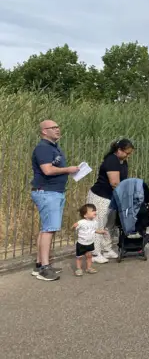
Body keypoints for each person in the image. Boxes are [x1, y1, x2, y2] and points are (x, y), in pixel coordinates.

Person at [30, 120, 80, 281]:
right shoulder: (43, 148)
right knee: (49, 229)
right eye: (53, 128)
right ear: (44, 131)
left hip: (53, 192)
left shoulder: (53, 147)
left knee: (46, 228)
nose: (58, 129)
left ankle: (40, 264)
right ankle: (45, 267)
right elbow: (47, 170)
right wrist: (68, 169)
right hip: (47, 192)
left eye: (58, 127)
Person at [87, 138, 135, 263]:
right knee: (98, 224)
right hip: (101, 196)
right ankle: (95, 252)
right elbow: (114, 183)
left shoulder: (122, 161)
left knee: (110, 224)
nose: (128, 156)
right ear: (119, 150)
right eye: (127, 153)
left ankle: (106, 248)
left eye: (129, 153)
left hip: (112, 197)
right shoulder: (111, 161)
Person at [72, 204, 107, 276]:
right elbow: (73, 227)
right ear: (85, 215)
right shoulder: (81, 222)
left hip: (90, 243)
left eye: (95, 210)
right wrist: (73, 226)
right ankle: (78, 269)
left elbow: (94, 230)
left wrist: (101, 232)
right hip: (81, 243)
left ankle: (89, 268)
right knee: (79, 257)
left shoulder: (95, 222)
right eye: (92, 211)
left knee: (89, 256)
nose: (95, 211)